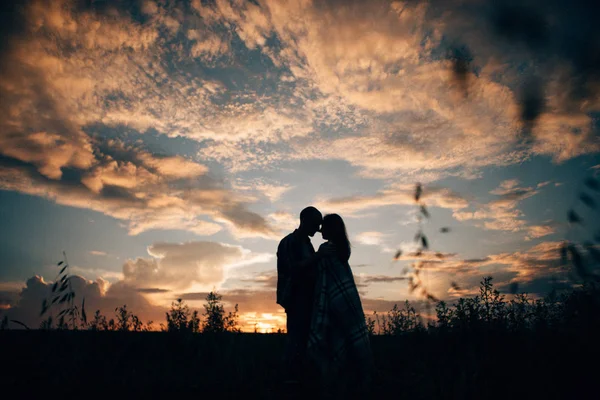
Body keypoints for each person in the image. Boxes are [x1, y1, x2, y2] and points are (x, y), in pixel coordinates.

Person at [306, 213, 374, 398]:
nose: (320, 231)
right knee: (348, 345)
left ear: (331, 229)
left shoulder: (326, 249)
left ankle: (332, 390)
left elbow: (323, 280)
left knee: (332, 348)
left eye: (323, 227)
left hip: (333, 306)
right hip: (346, 303)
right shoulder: (343, 250)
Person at [276, 206, 335, 386]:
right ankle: (290, 380)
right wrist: (318, 257)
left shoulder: (306, 244)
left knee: (304, 340)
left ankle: (301, 378)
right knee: (296, 339)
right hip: (295, 299)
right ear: (305, 221)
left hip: (308, 299)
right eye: (316, 224)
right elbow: (293, 269)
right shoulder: (289, 242)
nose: (318, 229)